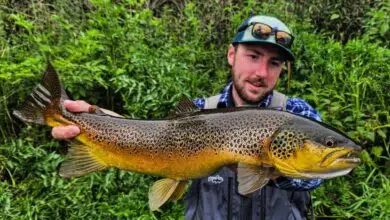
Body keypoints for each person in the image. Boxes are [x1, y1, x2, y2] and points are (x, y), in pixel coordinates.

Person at [52, 15, 323, 220]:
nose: (261, 72)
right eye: (253, 56)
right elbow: (153, 137)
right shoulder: (199, 111)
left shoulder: (298, 115)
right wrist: (100, 119)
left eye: (274, 63)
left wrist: (271, 169)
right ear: (231, 54)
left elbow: (316, 176)